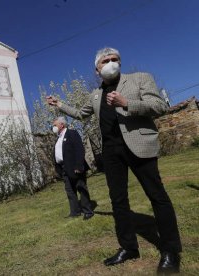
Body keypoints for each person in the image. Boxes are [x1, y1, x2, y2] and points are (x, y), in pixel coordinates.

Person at [46, 47, 182, 273]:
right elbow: (81, 114)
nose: (111, 63)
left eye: (115, 59)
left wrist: (126, 102)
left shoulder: (140, 79)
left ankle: (170, 250)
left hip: (139, 145)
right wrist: (59, 105)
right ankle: (129, 247)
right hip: (111, 152)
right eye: (105, 61)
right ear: (97, 69)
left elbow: (159, 106)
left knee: (157, 195)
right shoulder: (96, 94)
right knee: (118, 201)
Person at [52, 116, 94, 220]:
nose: (53, 127)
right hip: (64, 169)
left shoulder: (72, 133)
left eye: (55, 125)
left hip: (74, 167)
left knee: (81, 187)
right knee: (70, 191)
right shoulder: (59, 138)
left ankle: (88, 211)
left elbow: (79, 149)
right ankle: (75, 212)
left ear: (62, 125)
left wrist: (79, 166)